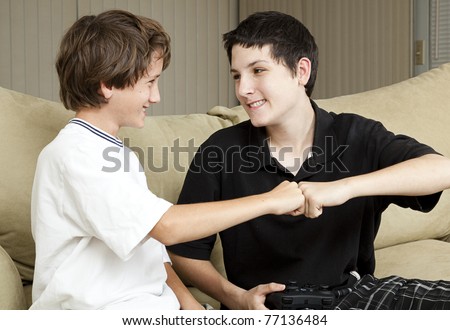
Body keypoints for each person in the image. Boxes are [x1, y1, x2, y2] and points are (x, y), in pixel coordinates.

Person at [167, 10, 450, 310]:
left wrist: (346, 187)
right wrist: (235, 298)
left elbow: (441, 169)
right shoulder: (219, 151)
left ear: (301, 71)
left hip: (355, 296)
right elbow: (184, 251)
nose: (242, 89)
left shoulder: (356, 134)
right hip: (270, 308)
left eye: (258, 71)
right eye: (237, 75)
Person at [30, 9, 304, 310]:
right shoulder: (76, 154)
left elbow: (151, 254)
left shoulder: (114, 153)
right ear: (107, 83)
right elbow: (167, 227)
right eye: (149, 82)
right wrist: (269, 201)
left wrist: (195, 310)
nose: (156, 96)